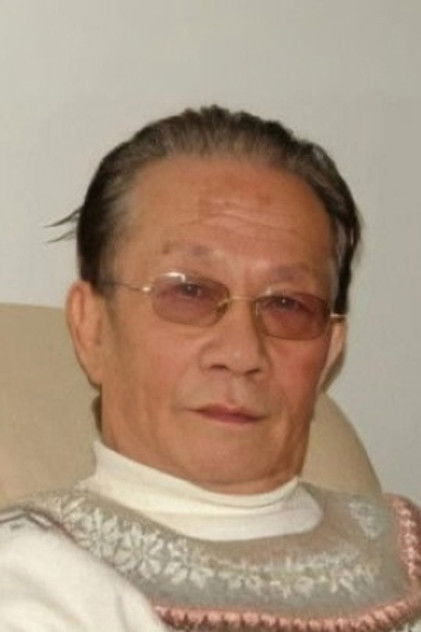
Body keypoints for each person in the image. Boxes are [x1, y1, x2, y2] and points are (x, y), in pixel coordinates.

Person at [1, 106, 420, 631]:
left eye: (287, 304)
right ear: (93, 328)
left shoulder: (406, 550)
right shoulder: (33, 578)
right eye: (190, 292)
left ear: (329, 350)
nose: (242, 353)